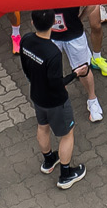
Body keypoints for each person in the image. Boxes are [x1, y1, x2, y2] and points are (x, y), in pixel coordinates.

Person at [20, 12, 87, 189]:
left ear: (32, 22)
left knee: (43, 127)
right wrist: (75, 74)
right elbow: (56, 84)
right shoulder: (53, 53)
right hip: (56, 102)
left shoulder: (26, 40)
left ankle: (49, 160)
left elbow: (25, 68)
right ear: (53, 24)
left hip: (37, 96)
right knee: (67, 134)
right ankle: (66, 175)